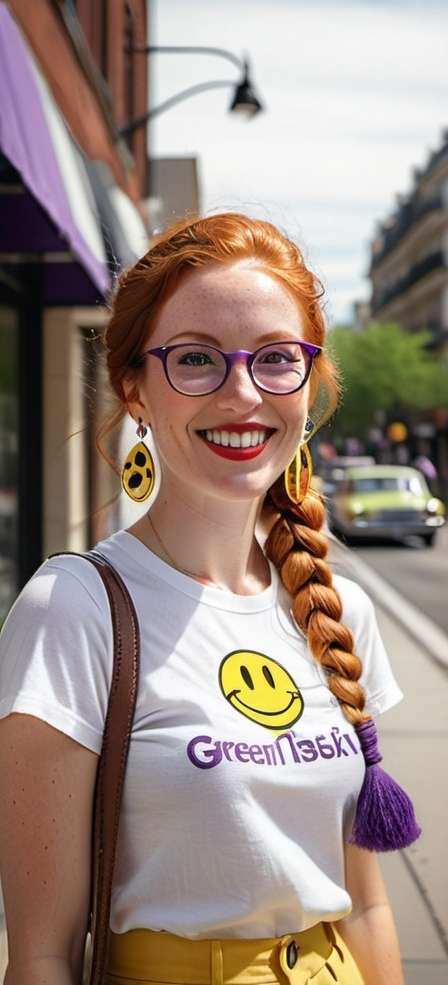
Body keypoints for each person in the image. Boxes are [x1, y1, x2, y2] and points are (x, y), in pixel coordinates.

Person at [0, 213, 418, 985]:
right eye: (195, 359)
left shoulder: (339, 611)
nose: (242, 393)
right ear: (134, 389)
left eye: (276, 359)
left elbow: (367, 908)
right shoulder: (74, 610)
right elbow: (39, 956)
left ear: (310, 381)